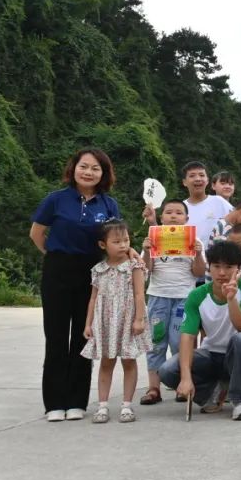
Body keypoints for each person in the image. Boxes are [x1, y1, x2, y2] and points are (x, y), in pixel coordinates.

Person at [30, 147, 122, 422]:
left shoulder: (108, 204)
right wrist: (53, 255)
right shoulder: (56, 199)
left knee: (84, 336)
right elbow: (37, 233)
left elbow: (115, 240)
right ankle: (54, 403)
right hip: (57, 270)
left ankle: (76, 401)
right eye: (84, 166)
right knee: (56, 336)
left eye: (95, 168)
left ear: (103, 173)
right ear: (74, 168)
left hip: (92, 273)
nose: (88, 172)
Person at [159, 241, 241, 420]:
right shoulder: (197, 295)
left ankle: (239, 400)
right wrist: (185, 377)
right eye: (216, 266)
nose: (222, 273)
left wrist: (231, 299)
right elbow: (187, 336)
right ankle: (212, 393)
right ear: (209, 267)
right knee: (167, 370)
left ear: (239, 268)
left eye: (228, 267)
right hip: (211, 355)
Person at [81, 220, 151, 424]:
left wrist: (139, 319)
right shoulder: (98, 270)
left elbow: (139, 294)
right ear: (103, 245)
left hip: (128, 320)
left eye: (126, 240)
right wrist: (88, 324)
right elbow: (93, 298)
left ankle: (127, 405)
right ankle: (102, 405)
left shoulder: (134, 266)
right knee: (106, 362)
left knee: (129, 361)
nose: (123, 245)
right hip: (105, 323)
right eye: (117, 241)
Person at [139, 199, 206, 406]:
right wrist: (147, 251)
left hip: (184, 298)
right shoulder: (153, 238)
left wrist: (197, 253)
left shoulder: (195, 241)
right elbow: (146, 270)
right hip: (158, 297)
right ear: (162, 217)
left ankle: (182, 385)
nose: (174, 216)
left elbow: (199, 272)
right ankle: (154, 388)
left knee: (181, 343)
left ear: (187, 218)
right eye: (169, 212)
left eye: (179, 212)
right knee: (156, 343)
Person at [180, 161, 233, 254]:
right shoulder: (180, 208)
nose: (198, 179)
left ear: (207, 180)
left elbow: (238, 222)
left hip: (217, 259)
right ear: (184, 182)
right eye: (192, 176)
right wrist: (153, 222)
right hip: (190, 259)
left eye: (201, 175)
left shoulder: (219, 202)